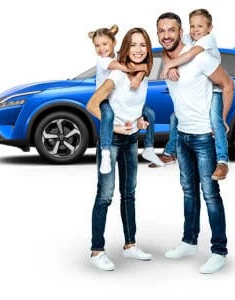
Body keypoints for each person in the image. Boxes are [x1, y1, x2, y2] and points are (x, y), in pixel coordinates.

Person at [156, 12, 234, 274]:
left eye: (171, 30)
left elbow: (227, 83)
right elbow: (168, 58)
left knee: (210, 194)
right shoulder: (167, 60)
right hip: (183, 138)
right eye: (161, 31)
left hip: (203, 137)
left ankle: (219, 251)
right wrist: (171, 63)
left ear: (181, 33)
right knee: (188, 191)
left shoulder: (200, 56)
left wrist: (221, 118)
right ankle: (189, 241)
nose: (166, 35)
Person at [86, 27, 154, 271]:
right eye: (133, 45)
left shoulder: (142, 76)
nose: (138, 49)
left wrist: (138, 122)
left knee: (129, 194)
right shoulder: (115, 75)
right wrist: (114, 127)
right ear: (125, 47)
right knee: (105, 195)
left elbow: (132, 109)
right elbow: (92, 104)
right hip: (112, 142)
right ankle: (96, 251)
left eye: (143, 45)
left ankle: (130, 245)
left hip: (131, 140)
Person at [151, 9, 231, 181]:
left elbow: (190, 54)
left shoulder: (206, 41)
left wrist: (170, 64)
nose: (195, 30)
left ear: (210, 28)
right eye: (192, 26)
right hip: (197, 93)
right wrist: (169, 64)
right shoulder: (188, 38)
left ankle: (223, 161)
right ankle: (169, 153)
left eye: (200, 26)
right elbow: (168, 48)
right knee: (175, 118)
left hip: (215, 88)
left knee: (216, 122)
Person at [87, 25, 163, 174]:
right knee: (107, 116)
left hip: (129, 129)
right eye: (97, 45)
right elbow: (126, 67)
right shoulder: (104, 61)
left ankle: (148, 148)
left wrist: (140, 75)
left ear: (114, 43)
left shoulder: (119, 56)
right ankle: (106, 152)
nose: (101, 48)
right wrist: (139, 70)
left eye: (104, 44)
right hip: (104, 98)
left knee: (150, 113)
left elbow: (143, 66)